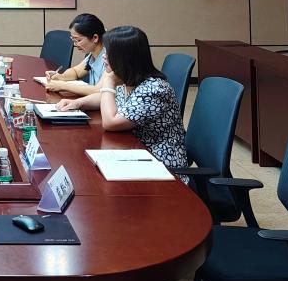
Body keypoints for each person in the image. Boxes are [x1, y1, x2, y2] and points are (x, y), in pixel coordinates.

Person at [57, 26, 189, 178]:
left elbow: (110, 123)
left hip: (162, 167)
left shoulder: (154, 89)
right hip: (133, 153)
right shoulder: (129, 80)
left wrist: (109, 81)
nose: (104, 57)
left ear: (125, 58)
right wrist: (78, 103)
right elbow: (106, 99)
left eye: (109, 53)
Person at [44, 13, 106, 97]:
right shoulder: (92, 55)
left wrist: (62, 86)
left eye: (78, 40)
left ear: (95, 38)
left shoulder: (109, 58)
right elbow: (76, 72)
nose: (75, 44)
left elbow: (99, 90)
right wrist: (61, 76)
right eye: (73, 40)